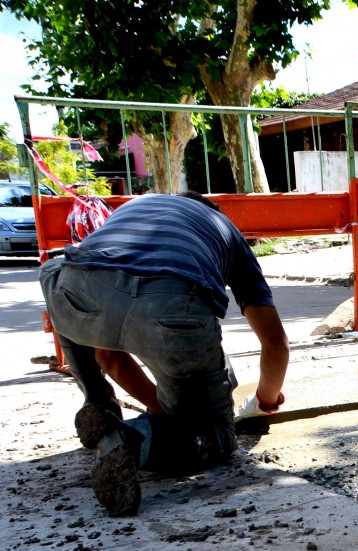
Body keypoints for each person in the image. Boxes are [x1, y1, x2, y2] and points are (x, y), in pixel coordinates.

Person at [39, 191, 289, 517]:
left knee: (61, 271)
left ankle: (100, 408)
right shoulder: (224, 228)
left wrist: (161, 410)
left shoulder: (135, 207)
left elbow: (107, 356)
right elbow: (276, 345)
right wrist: (266, 401)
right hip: (173, 304)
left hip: (74, 292)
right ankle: (129, 439)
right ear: (209, 212)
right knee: (218, 435)